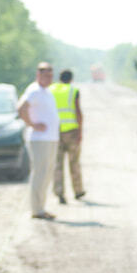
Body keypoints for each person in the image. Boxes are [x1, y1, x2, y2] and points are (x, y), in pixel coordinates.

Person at [17, 62, 61, 220]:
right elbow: (21, 108)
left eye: (50, 75)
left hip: (50, 138)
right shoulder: (34, 90)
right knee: (40, 174)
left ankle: (41, 207)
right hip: (40, 139)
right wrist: (32, 124)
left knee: (47, 173)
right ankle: (36, 209)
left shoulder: (46, 91)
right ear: (38, 75)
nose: (49, 78)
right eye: (45, 75)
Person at [50, 69, 85, 204]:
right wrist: (80, 131)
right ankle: (78, 190)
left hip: (55, 132)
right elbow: (78, 112)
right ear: (71, 79)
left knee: (57, 164)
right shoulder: (73, 90)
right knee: (74, 162)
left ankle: (59, 193)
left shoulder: (51, 89)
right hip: (71, 131)